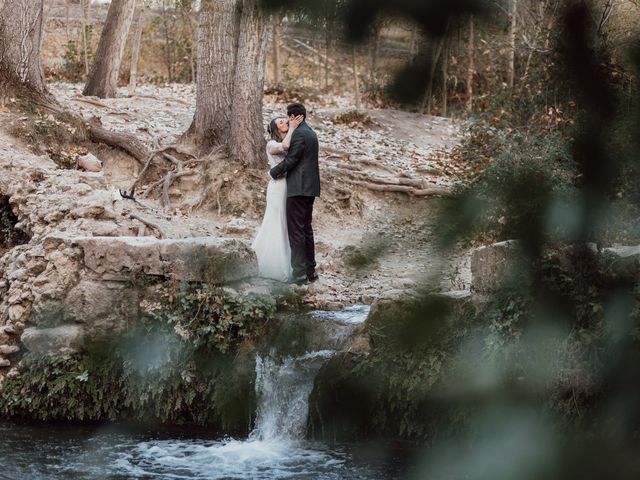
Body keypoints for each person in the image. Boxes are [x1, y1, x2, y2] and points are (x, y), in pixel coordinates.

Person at [269, 103, 321, 284]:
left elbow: (291, 160)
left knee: (296, 231)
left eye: (287, 117)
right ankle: (311, 271)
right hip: (311, 188)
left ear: (293, 117)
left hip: (298, 188)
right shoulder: (311, 133)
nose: (286, 121)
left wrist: (272, 173)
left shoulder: (299, 134)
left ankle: (298, 274)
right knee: (306, 230)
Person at [251, 114, 304, 282]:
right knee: (276, 222)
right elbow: (285, 146)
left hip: (290, 187)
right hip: (278, 187)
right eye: (281, 122)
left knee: (287, 225)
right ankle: (270, 265)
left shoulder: (293, 137)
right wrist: (293, 128)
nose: (285, 122)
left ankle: (290, 264)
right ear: (275, 129)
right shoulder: (271, 144)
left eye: (285, 120)